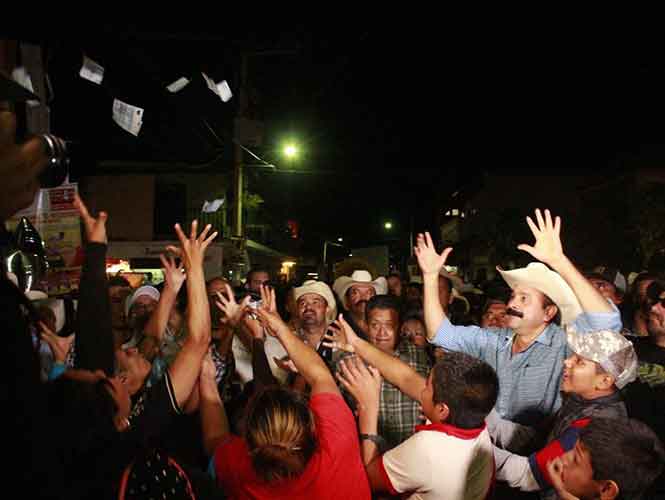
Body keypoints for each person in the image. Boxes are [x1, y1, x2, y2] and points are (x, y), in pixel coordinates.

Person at [416, 209, 622, 426]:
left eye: (524, 298)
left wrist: (559, 261)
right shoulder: (494, 340)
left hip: (540, 452)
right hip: (491, 450)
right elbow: (440, 333)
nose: (512, 303)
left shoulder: (564, 344)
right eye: (513, 296)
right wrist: (430, 277)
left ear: (548, 313)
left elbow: (605, 324)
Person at [201, 285, 371, 499]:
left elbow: (214, 441)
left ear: (247, 436)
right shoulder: (336, 445)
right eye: (303, 302)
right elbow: (319, 374)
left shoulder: (238, 466)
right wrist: (279, 327)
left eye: (316, 301)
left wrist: (206, 377)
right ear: (310, 424)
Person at [330, 315, 498, 499]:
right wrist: (356, 343)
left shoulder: (428, 449)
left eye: (427, 385)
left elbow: (368, 479)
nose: (421, 388)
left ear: (442, 410)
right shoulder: (474, 418)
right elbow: (405, 378)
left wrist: (368, 407)